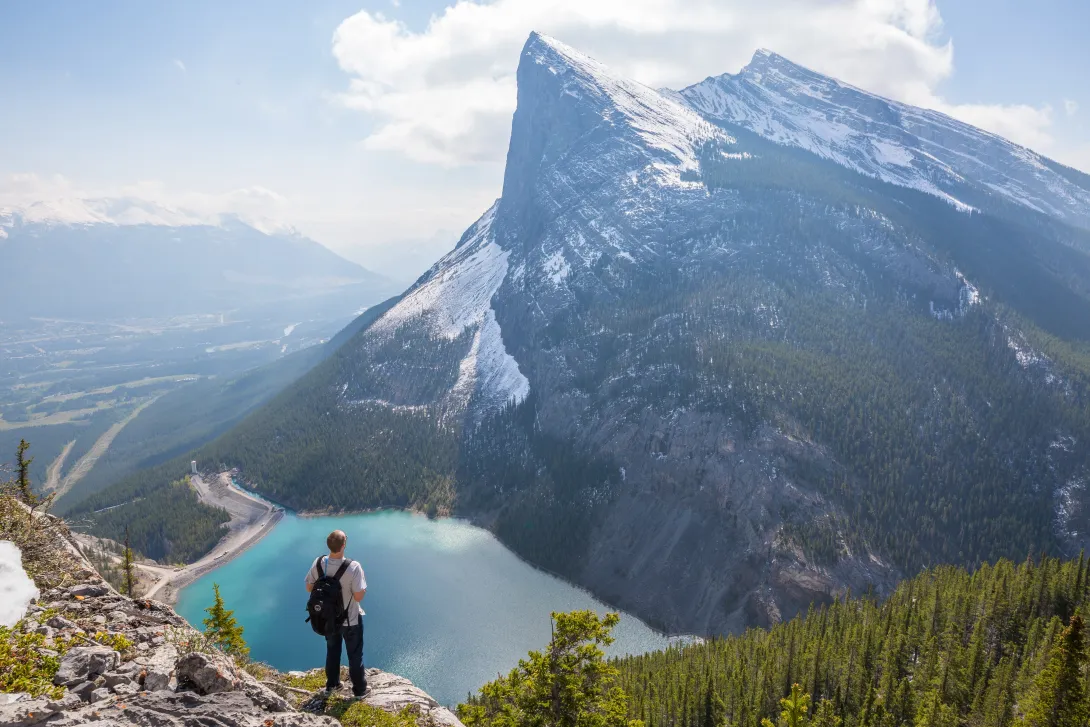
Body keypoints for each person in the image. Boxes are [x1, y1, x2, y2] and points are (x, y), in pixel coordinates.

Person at [305, 529, 368, 696]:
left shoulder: (318, 563)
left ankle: (332, 686)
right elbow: (359, 596)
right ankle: (360, 690)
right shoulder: (353, 567)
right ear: (344, 545)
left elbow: (309, 587)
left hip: (328, 618)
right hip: (350, 621)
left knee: (332, 651)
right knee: (355, 655)